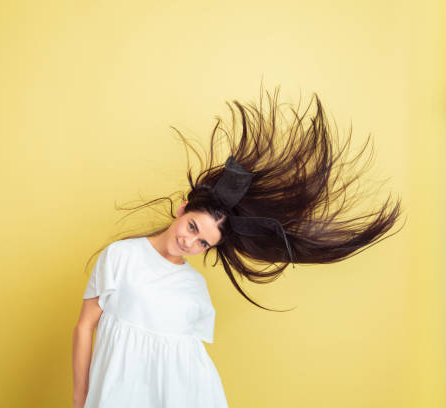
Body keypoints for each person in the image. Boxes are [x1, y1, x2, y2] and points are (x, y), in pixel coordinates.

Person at [71, 85, 404, 407]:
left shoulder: (194, 287)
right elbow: (86, 326)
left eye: (203, 242)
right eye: (192, 226)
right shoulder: (121, 257)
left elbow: (186, 364)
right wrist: (80, 397)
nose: (189, 242)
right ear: (183, 208)